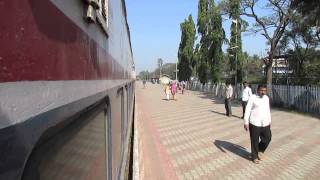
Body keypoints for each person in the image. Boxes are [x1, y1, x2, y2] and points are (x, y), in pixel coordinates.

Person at [244, 84, 272, 164]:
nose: (263, 92)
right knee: (254, 140)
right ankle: (254, 156)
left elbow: (268, 110)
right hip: (254, 122)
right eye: (261, 90)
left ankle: (259, 150)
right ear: (257, 90)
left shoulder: (266, 98)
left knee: (268, 138)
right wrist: (246, 122)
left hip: (265, 122)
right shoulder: (252, 97)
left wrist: (269, 120)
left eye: (264, 91)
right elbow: (247, 110)